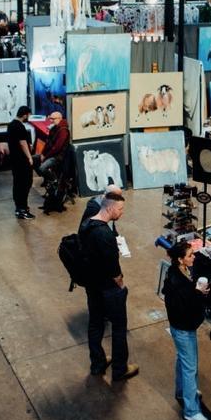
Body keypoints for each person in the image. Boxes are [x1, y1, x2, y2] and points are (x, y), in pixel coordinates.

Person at [81, 189, 138, 381]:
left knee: (95, 324)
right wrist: (121, 284)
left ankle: (97, 363)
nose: (122, 213)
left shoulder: (86, 225)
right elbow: (114, 270)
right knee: (119, 328)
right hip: (108, 289)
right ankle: (120, 369)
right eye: (120, 209)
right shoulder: (104, 234)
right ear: (111, 208)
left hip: (92, 286)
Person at [162, 241, 209, 420]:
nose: (194, 257)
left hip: (183, 327)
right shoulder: (177, 283)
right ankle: (191, 410)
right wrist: (199, 294)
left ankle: (183, 392)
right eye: (190, 255)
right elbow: (184, 307)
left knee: (182, 359)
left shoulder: (181, 272)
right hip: (183, 329)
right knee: (190, 367)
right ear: (180, 259)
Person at [6, 105, 35, 220]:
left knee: (17, 183)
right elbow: (23, 143)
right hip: (21, 160)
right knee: (25, 183)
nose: (29, 117)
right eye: (28, 115)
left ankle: (20, 207)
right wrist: (29, 157)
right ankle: (22, 209)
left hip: (14, 160)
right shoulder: (20, 127)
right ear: (25, 115)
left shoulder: (11, 125)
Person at [34, 110, 69, 181]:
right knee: (32, 159)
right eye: (51, 119)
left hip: (57, 156)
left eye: (53, 119)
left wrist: (45, 157)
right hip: (51, 154)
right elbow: (47, 143)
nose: (51, 121)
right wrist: (42, 154)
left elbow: (57, 148)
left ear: (59, 118)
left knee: (42, 168)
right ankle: (47, 179)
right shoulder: (54, 128)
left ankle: (54, 180)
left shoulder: (63, 130)